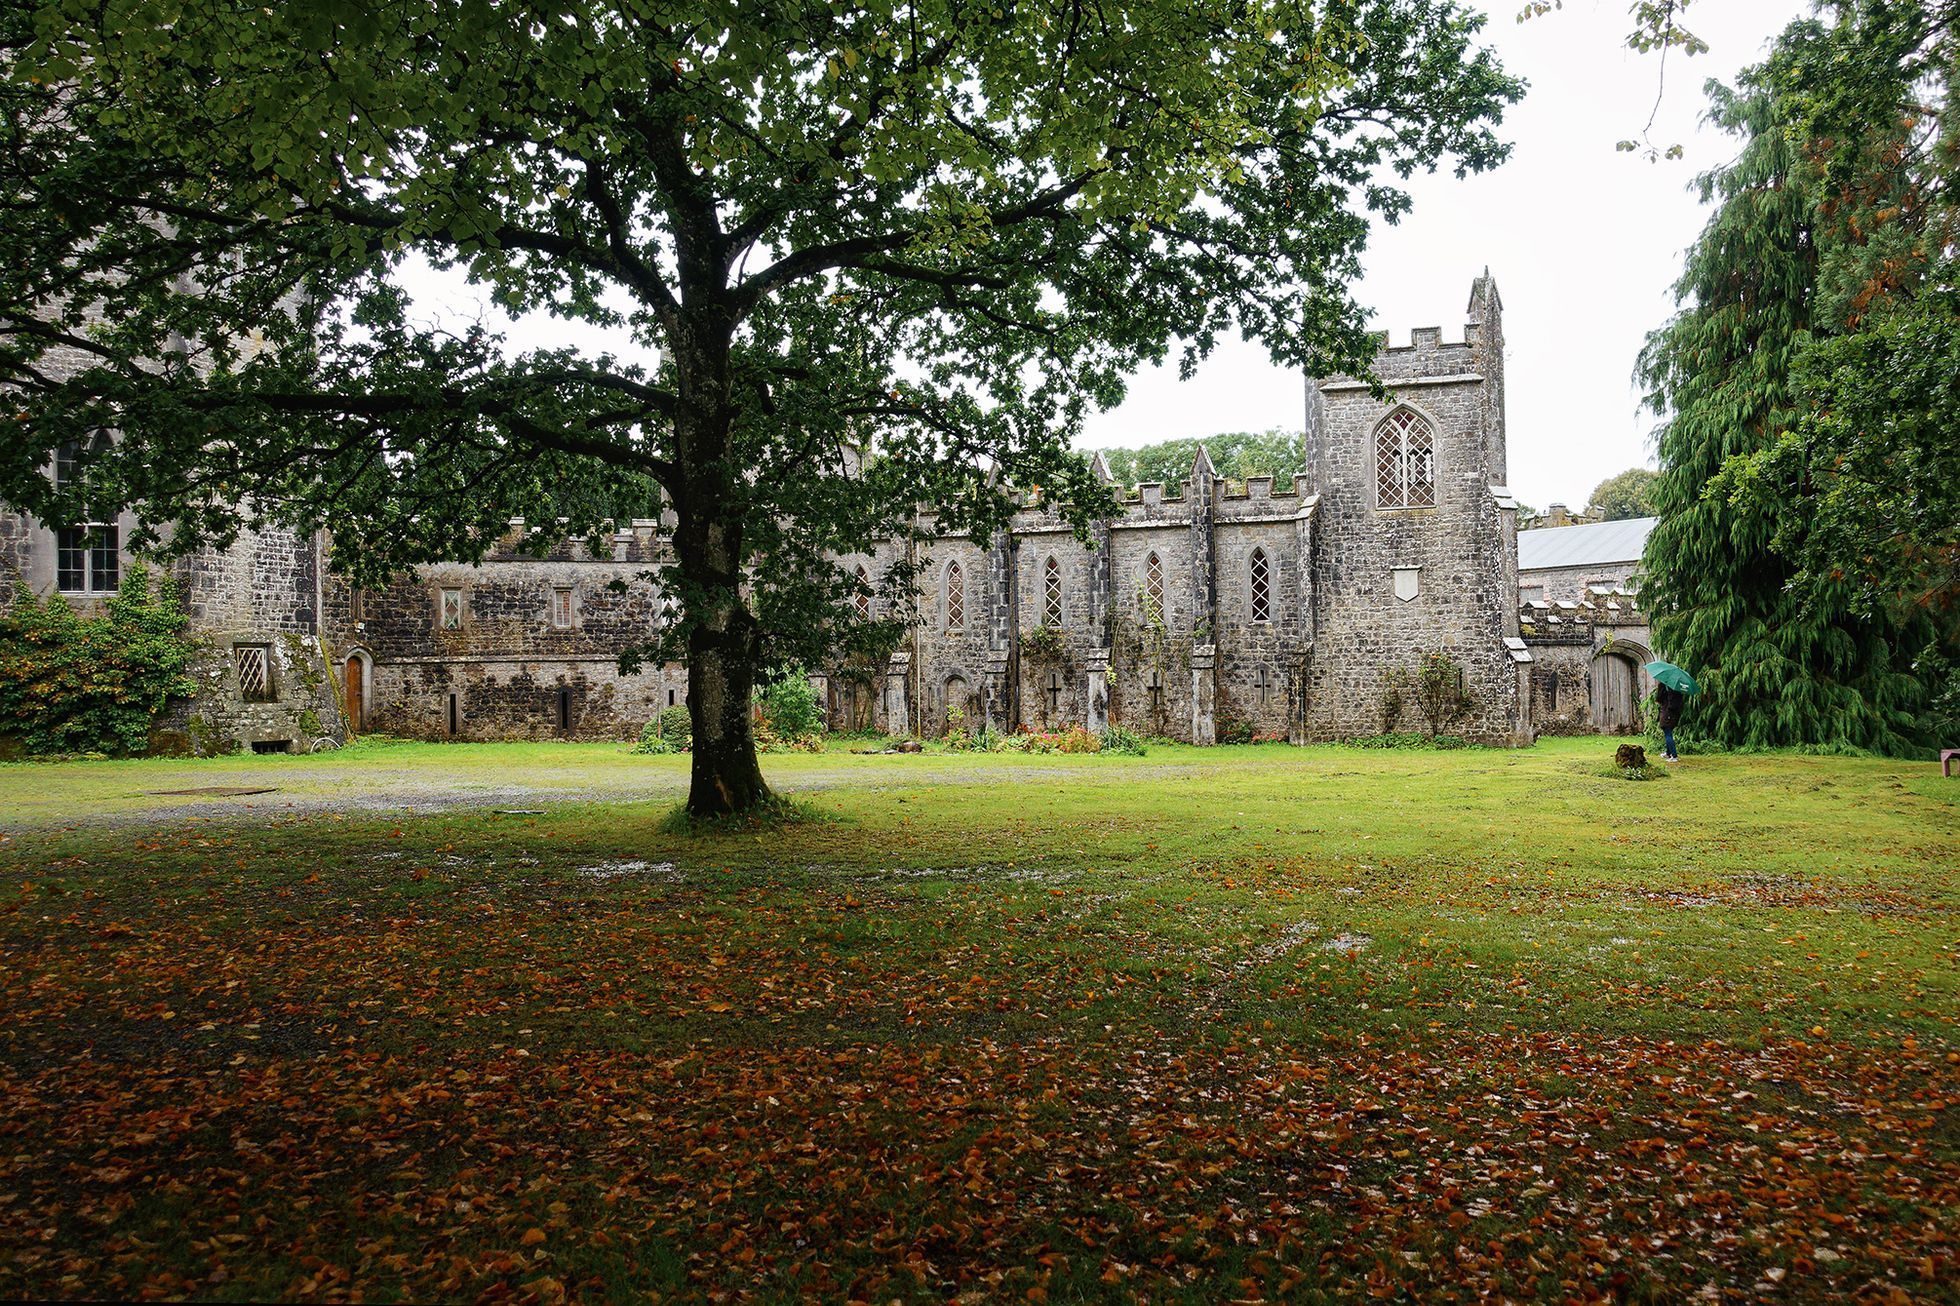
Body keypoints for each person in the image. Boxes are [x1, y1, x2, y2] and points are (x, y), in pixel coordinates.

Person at [1655, 683, 1685, 762]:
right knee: (1668, 732)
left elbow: (1658, 698)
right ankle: (1668, 753)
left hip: (1667, 713)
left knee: (1668, 734)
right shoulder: (1677, 687)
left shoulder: (1665, 686)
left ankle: (1674, 756)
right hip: (1674, 714)